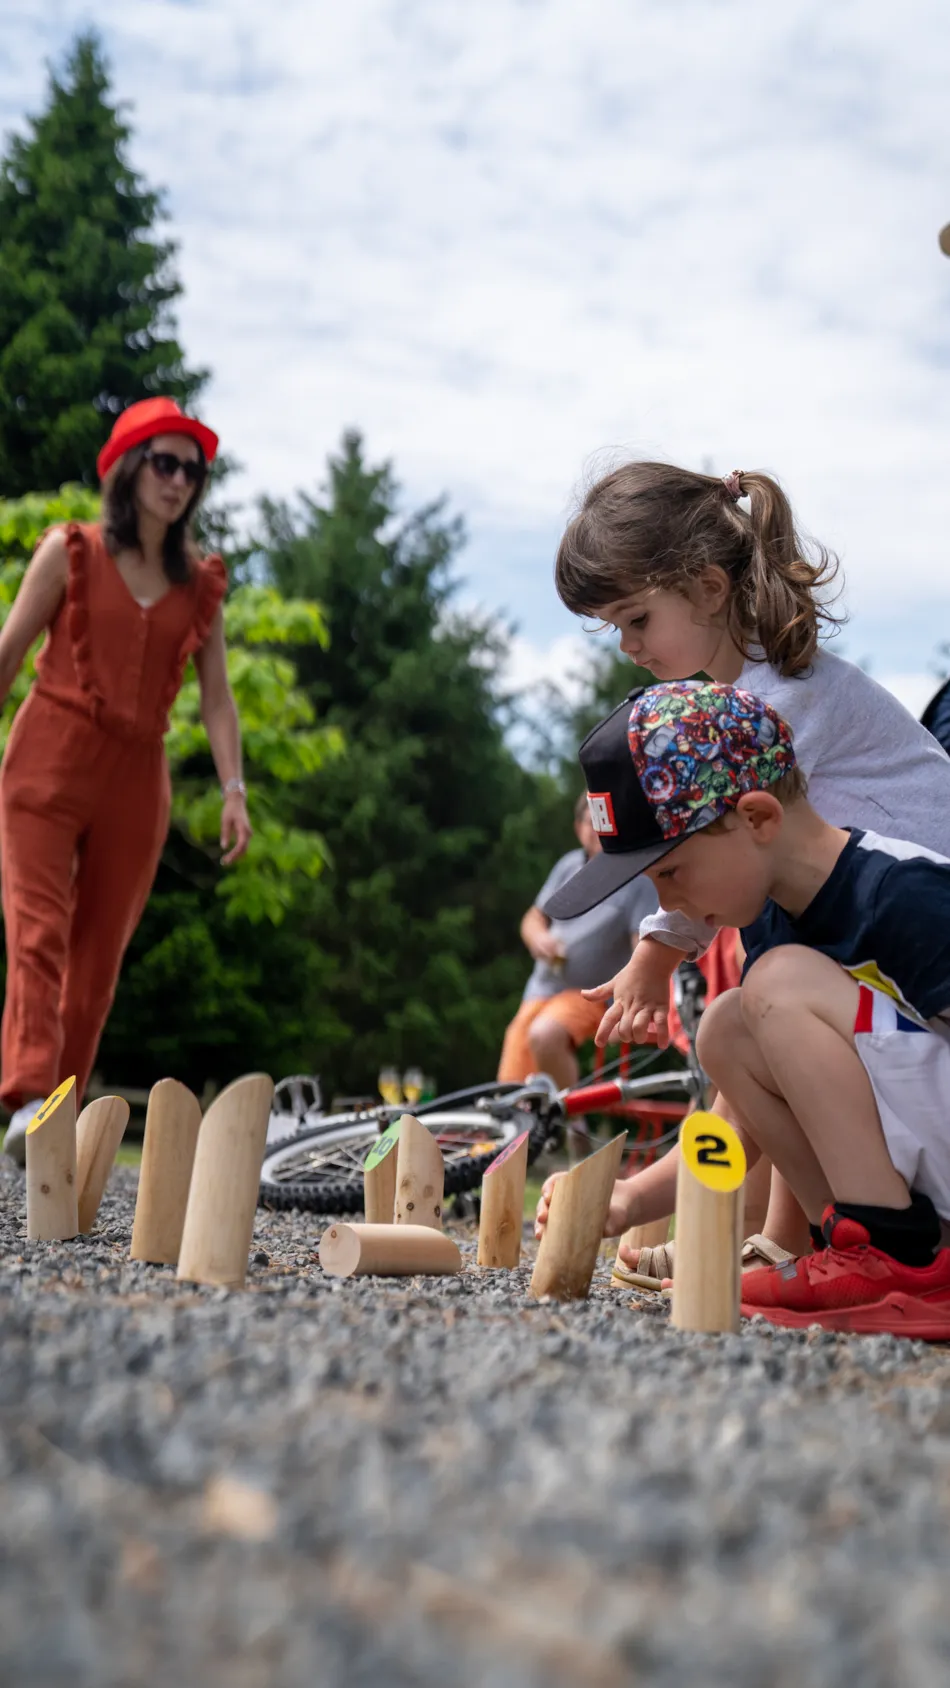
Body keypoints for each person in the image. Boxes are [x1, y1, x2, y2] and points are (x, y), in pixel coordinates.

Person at [553, 460, 950, 1271]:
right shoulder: (749, 716)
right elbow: (753, 1093)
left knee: (770, 992)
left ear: (706, 589)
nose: (628, 647)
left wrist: (653, 955)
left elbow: (705, 838)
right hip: (876, 965)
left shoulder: (769, 709)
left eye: (635, 619)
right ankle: (808, 1236)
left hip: (919, 926)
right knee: (747, 1015)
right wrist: (634, 1202)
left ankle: (865, 1245)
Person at [536, 680, 950, 1336]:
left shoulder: (902, 892)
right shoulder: (771, 918)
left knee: (770, 987)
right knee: (725, 1027)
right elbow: (736, 1122)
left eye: (671, 874)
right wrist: (628, 1200)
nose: (666, 907)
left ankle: (896, 1256)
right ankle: (857, 1250)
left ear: (757, 818)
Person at [0, 397, 251, 1164]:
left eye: (192, 470)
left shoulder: (200, 582)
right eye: (165, 462)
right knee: (37, 934)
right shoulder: (68, 550)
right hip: (49, 752)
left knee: (98, 960)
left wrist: (234, 789)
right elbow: (8, 652)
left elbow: (216, 697)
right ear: (129, 468)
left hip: (138, 777)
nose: (179, 481)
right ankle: (26, 1098)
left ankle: (57, 1111)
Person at [498, 792, 657, 1151]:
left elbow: (643, 945)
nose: (595, 829)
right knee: (508, 1086)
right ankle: (511, 1157)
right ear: (578, 827)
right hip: (540, 988)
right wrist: (538, 938)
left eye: (602, 822)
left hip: (588, 993)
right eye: (589, 821)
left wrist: (645, 994)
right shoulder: (569, 865)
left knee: (544, 1034)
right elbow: (532, 918)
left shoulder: (634, 878)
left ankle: (575, 1124)